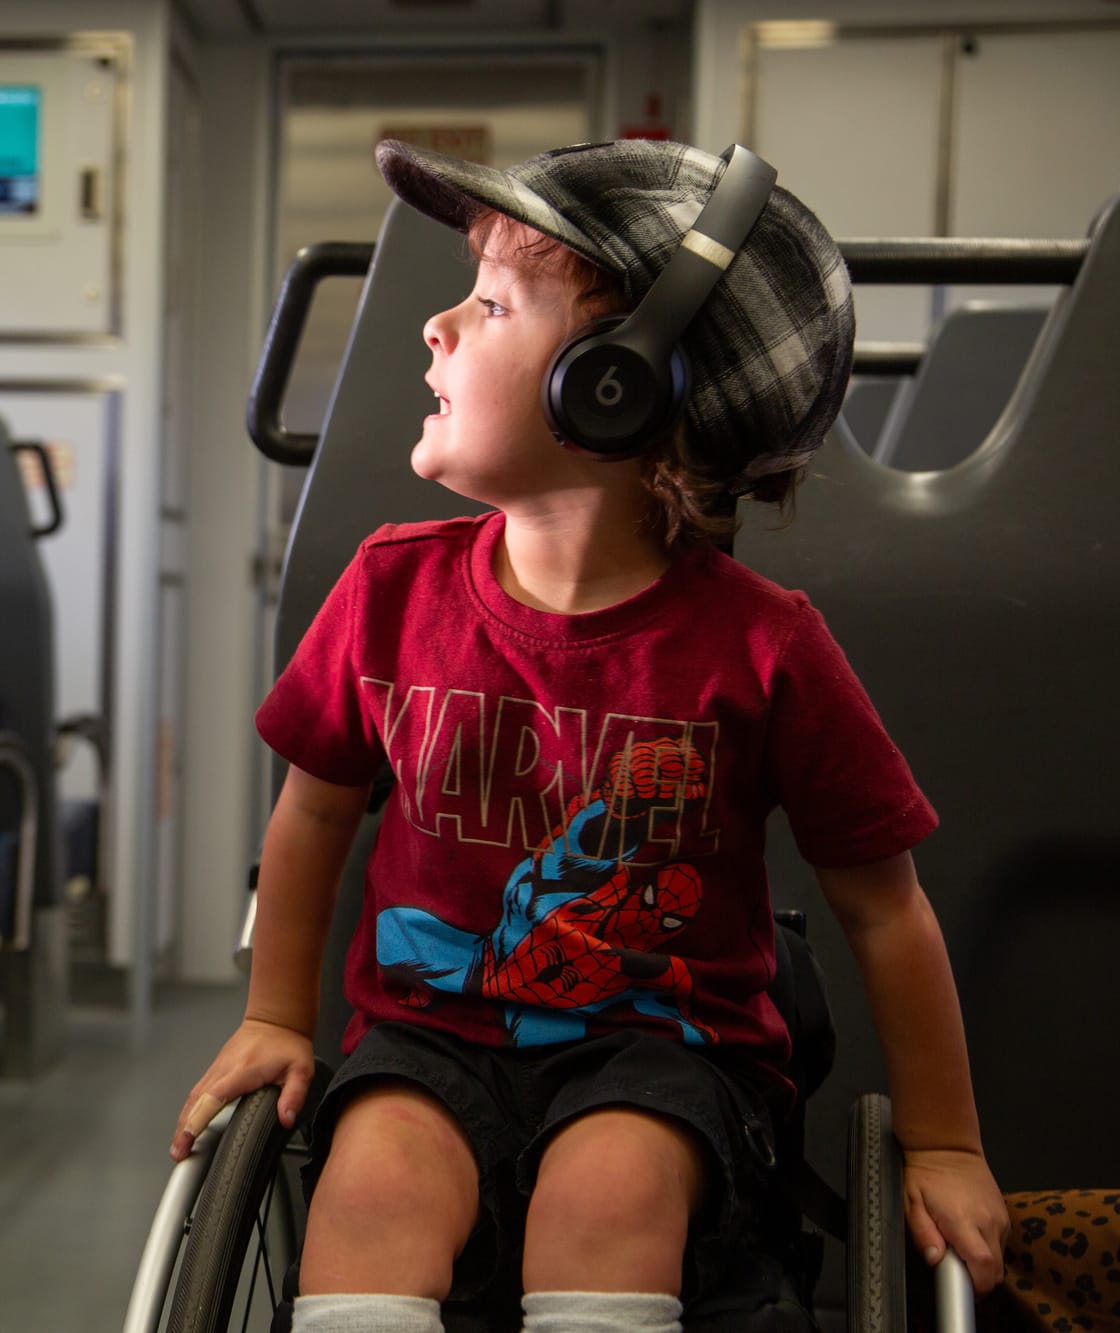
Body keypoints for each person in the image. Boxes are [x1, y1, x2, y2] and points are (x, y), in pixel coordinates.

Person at [169, 138, 1010, 1333]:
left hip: (660, 1056)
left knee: (607, 1191)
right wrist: (271, 1016)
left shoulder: (762, 646)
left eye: (493, 301)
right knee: (367, 1189)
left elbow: (882, 906)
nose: (436, 326)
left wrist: (942, 1142)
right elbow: (311, 812)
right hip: (424, 1037)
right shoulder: (388, 588)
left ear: (614, 382)